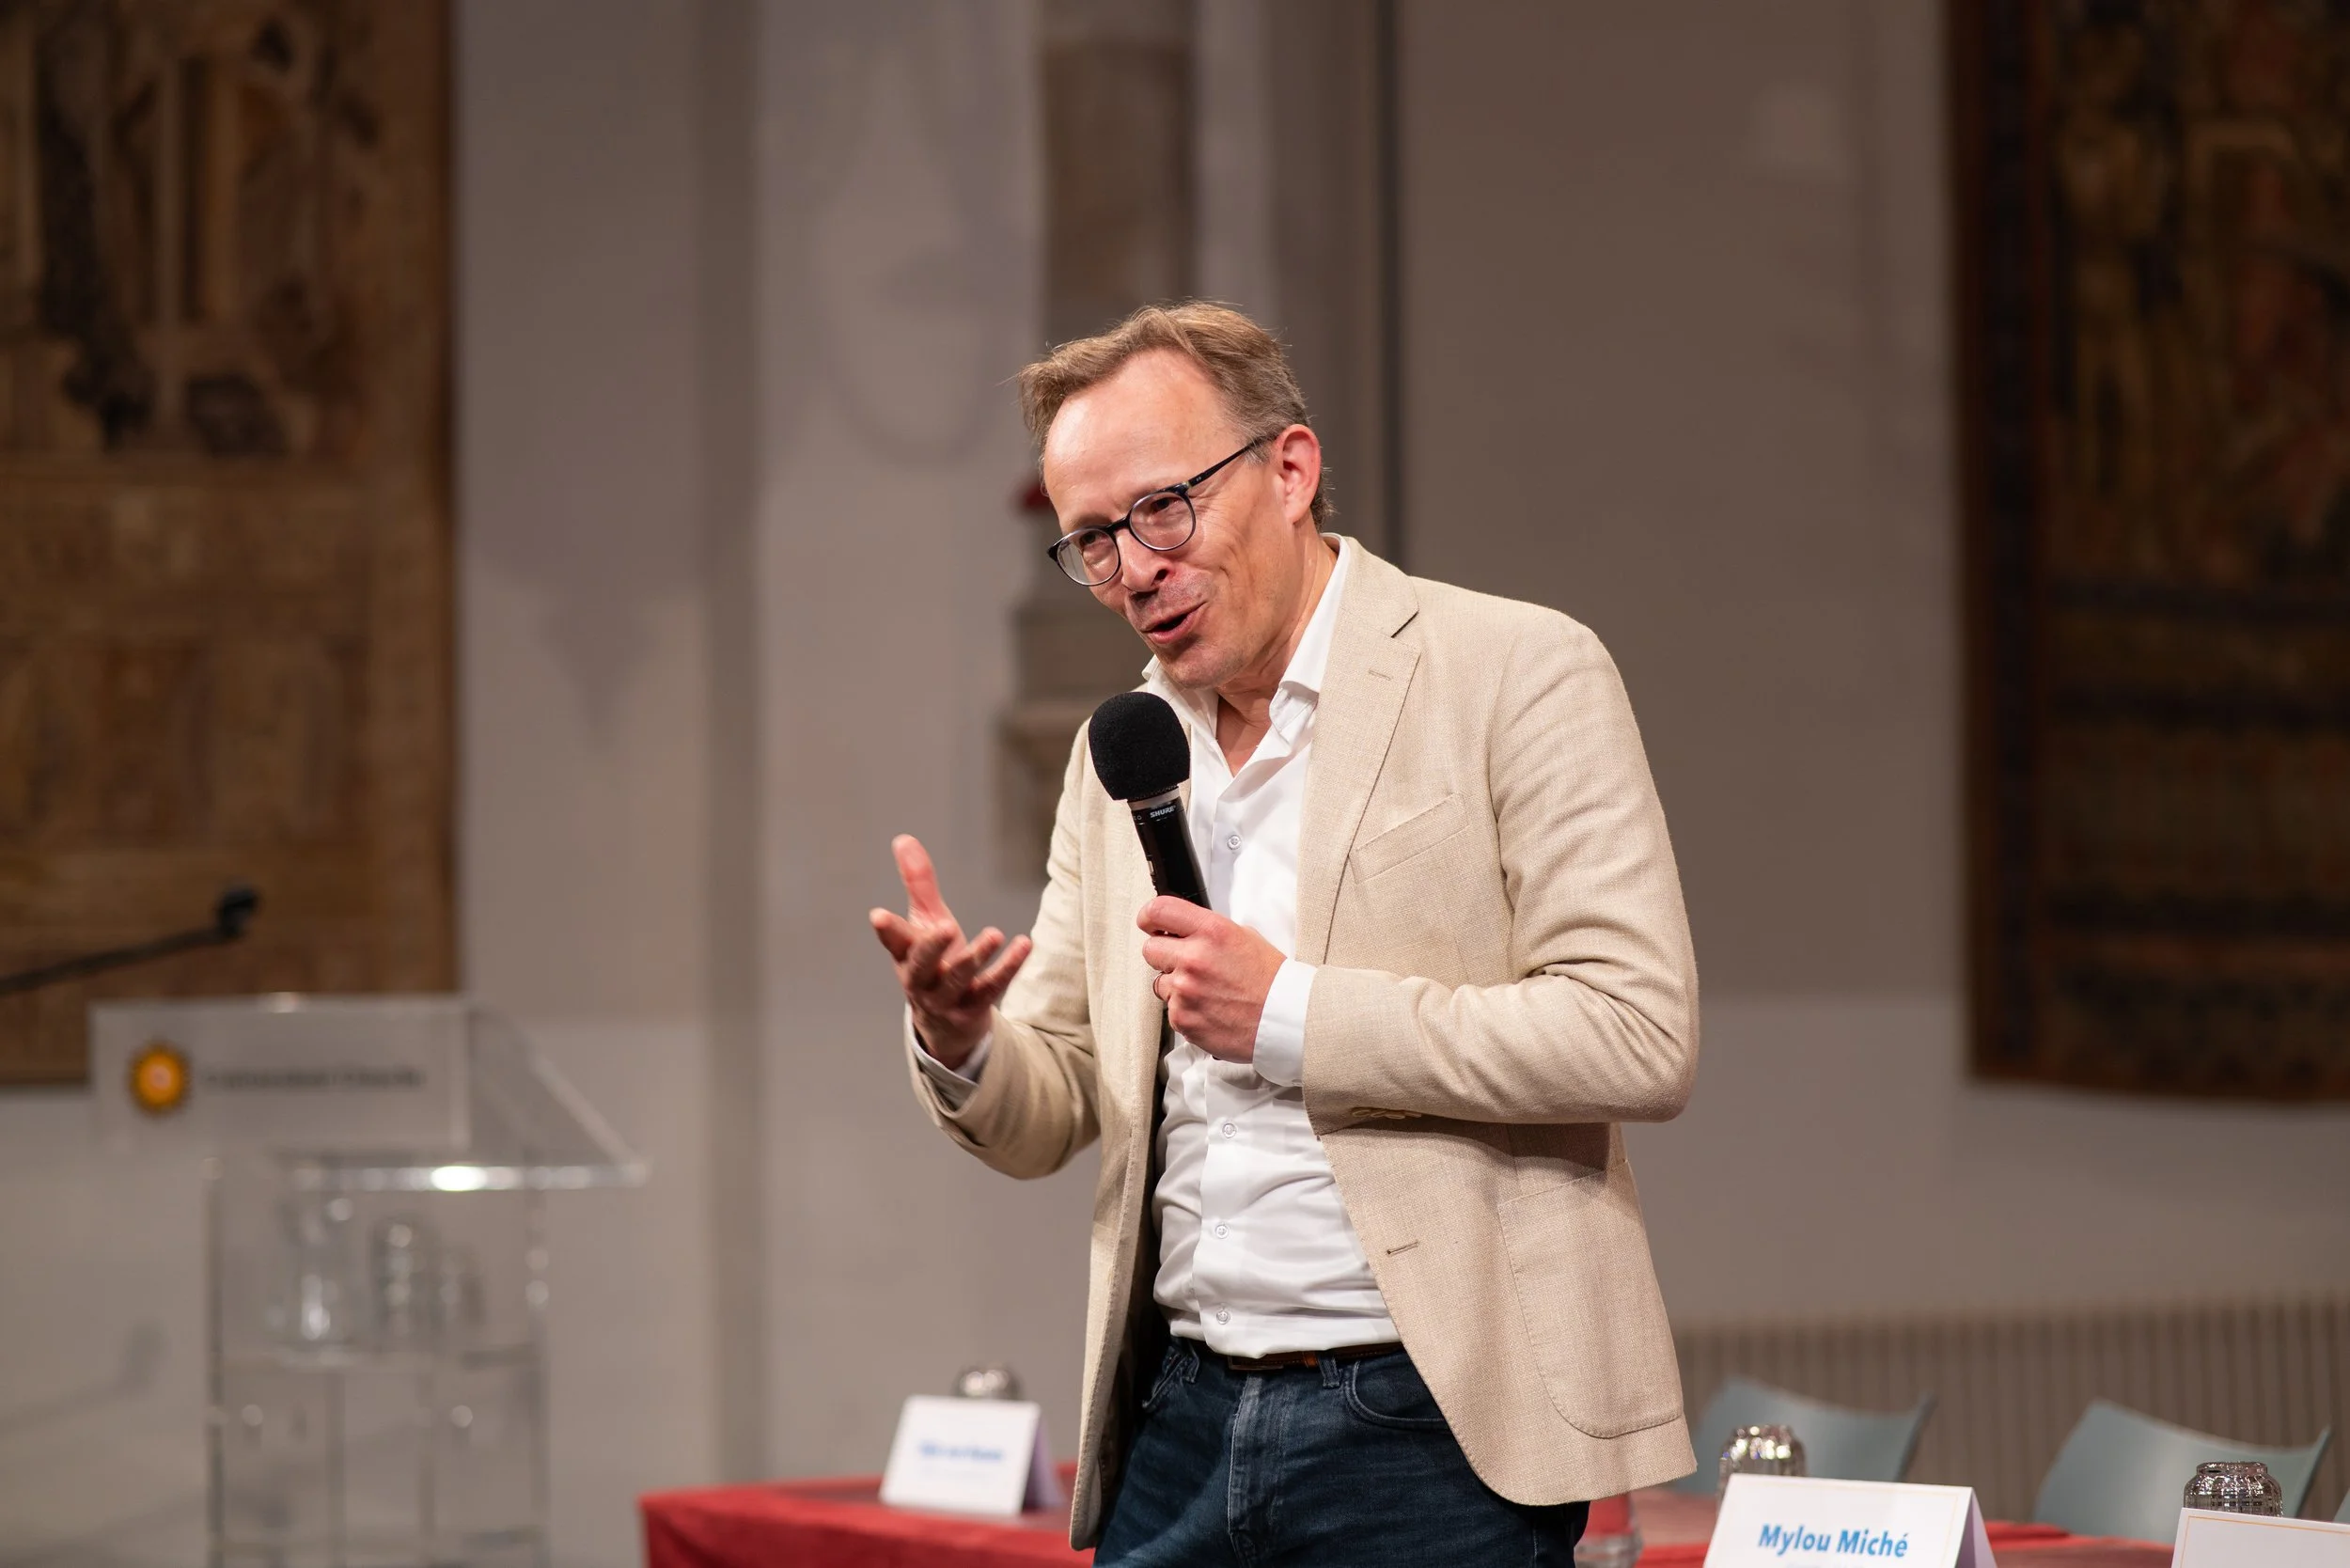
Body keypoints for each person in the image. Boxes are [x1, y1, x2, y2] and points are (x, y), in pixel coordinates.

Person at [869, 302, 1700, 1565]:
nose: (1134, 568)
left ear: (1290, 470)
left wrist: (1293, 1015)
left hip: (1424, 1422)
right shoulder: (1122, 753)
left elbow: (1635, 1033)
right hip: (1180, 1412)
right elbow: (1055, 1111)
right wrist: (962, 1037)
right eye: (1091, 540)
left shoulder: (1513, 670)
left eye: (1161, 510)